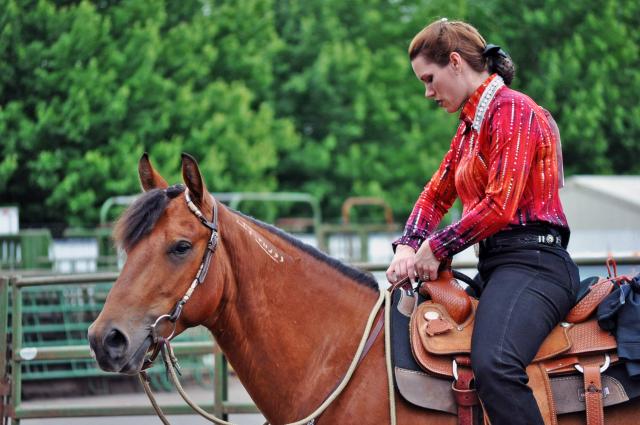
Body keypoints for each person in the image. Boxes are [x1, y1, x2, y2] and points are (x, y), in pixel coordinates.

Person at [386, 18, 580, 425]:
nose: (427, 92)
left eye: (429, 78)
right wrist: (408, 243)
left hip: (536, 265)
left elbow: (500, 205)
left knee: (494, 366)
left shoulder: (512, 110)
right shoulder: (469, 128)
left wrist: (435, 247)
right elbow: (436, 193)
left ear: (455, 62)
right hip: (499, 266)